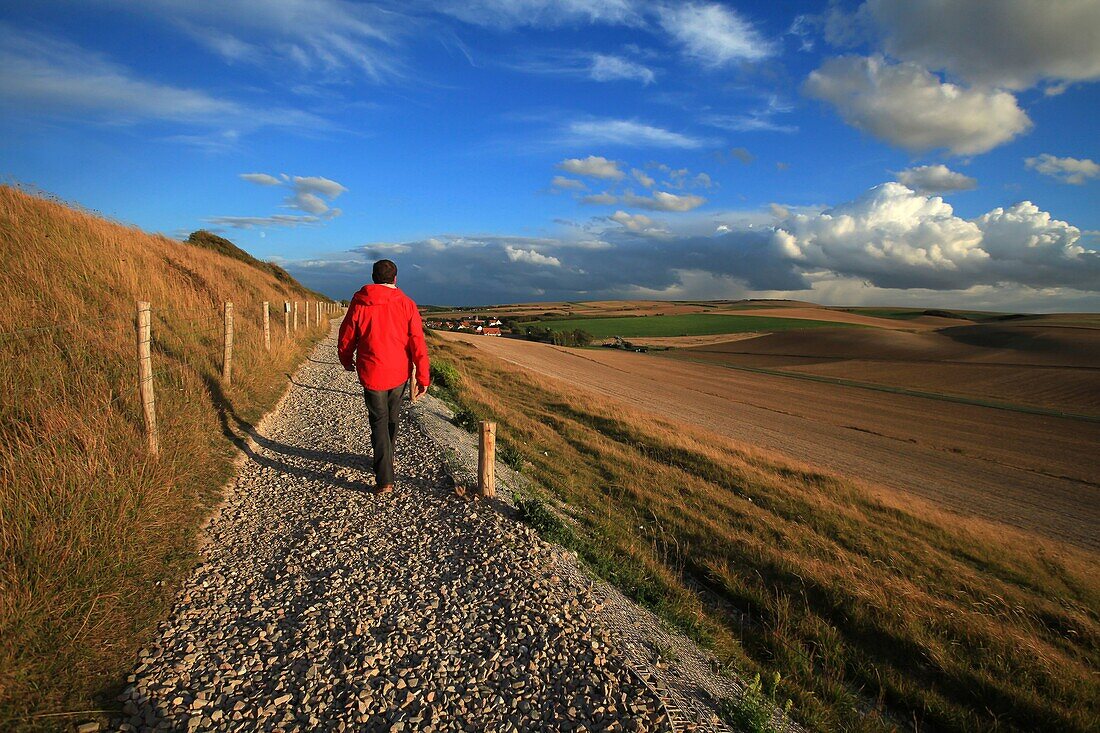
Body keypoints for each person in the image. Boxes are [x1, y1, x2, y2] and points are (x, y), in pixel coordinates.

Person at [337, 259, 430, 494]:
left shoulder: (360, 303)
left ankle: (385, 476)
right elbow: (417, 341)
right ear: (395, 278)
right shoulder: (407, 304)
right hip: (398, 372)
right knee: (391, 418)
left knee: (378, 421)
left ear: (373, 277)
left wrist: (346, 360)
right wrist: (423, 376)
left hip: (372, 372)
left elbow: (347, 335)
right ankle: (385, 465)